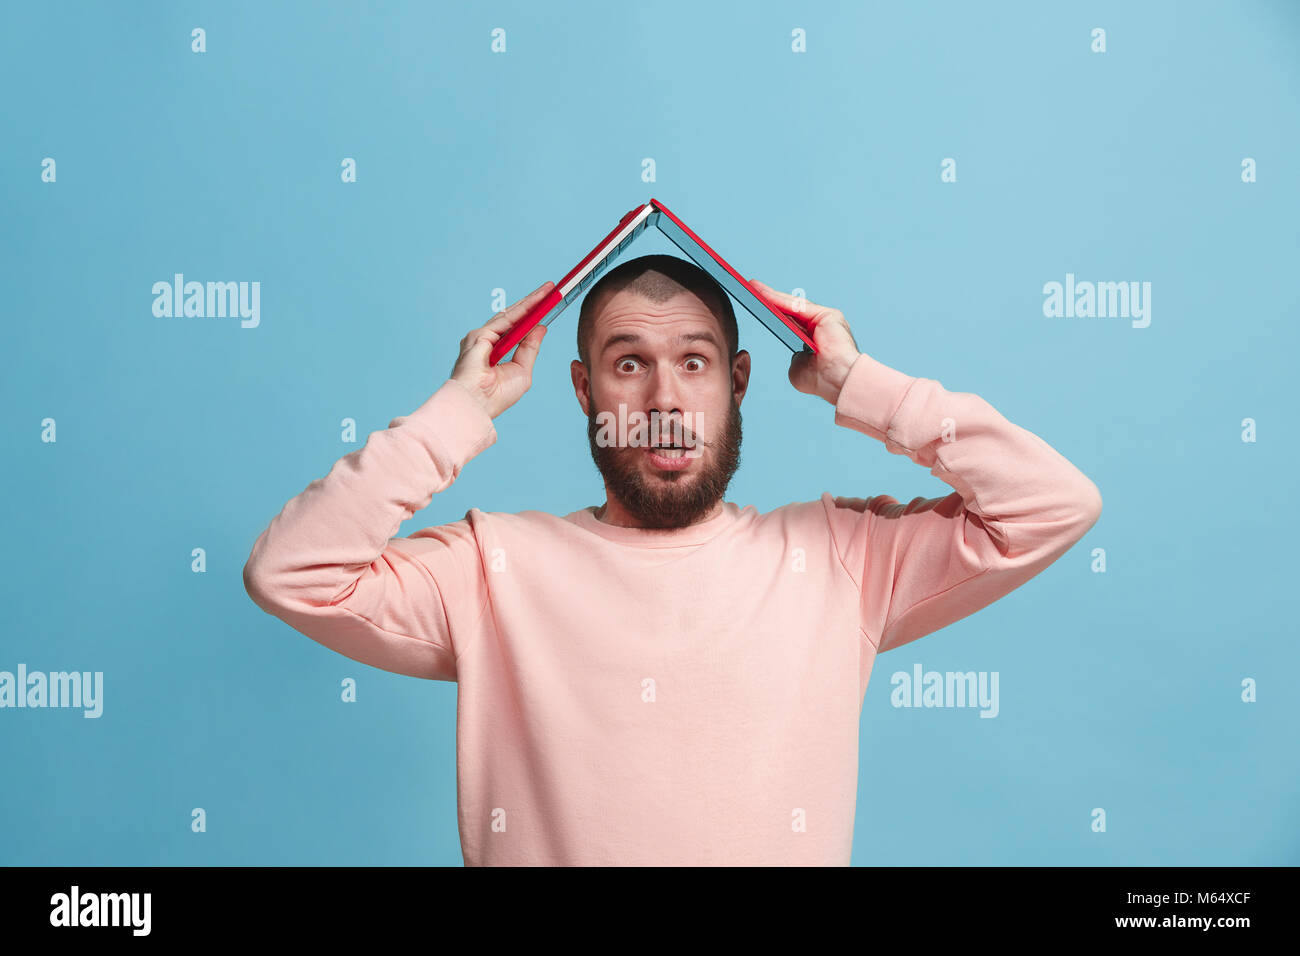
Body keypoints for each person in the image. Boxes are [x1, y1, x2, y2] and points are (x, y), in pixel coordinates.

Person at [242, 253, 1102, 866]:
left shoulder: (839, 556)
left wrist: (860, 384)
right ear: (585, 391)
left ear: (738, 382)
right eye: (630, 365)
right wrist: (459, 410)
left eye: (694, 363)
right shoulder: (489, 569)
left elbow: (1051, 504)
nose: (663, 400)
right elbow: (292, 571)